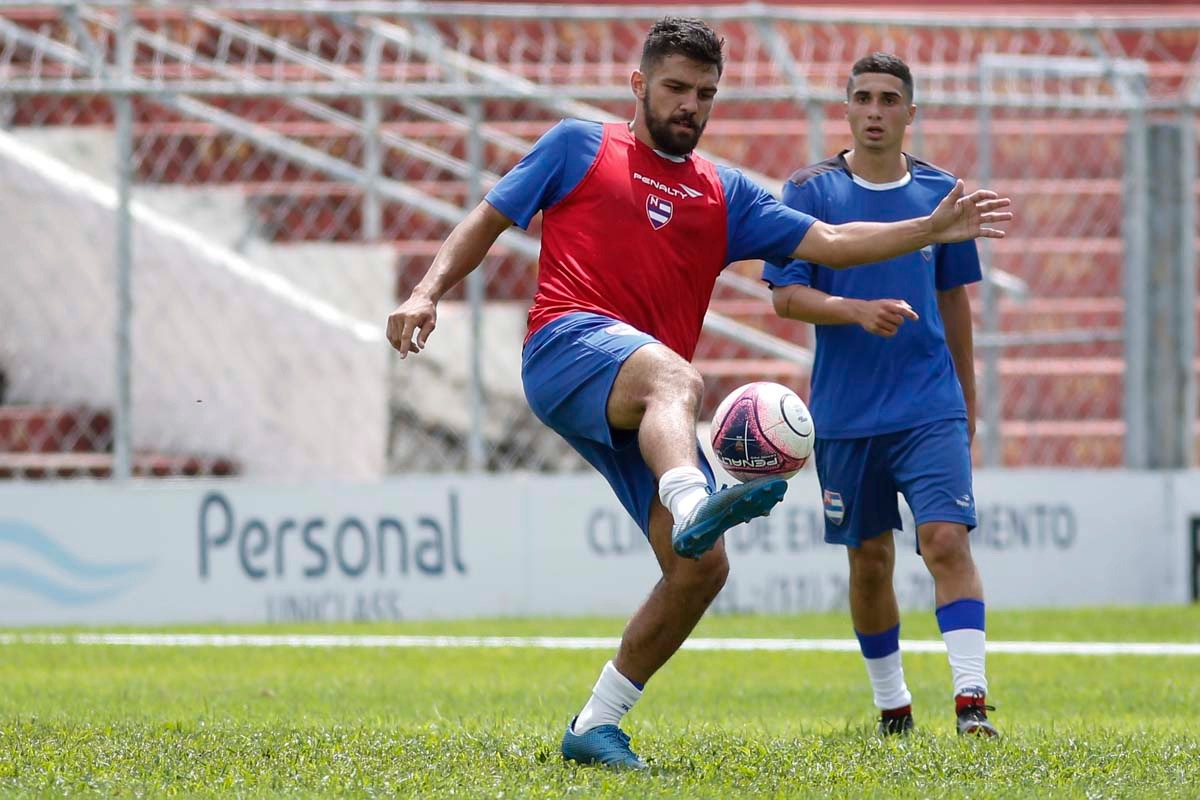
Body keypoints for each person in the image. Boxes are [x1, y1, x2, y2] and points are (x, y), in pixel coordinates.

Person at [386, 22, 1010, 768]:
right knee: (677, 377)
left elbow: (835, 246)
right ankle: (692, 500)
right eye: (677, 88)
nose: (690, 105)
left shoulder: (725, 193)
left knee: (701, 568)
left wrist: (928, 229)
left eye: (705, 94)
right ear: (639, 84)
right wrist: (425, 291)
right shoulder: (578, 146)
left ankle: (596, 721)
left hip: (641, 405)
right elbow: (489, 217)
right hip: (566, 346)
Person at [765, 52, 1000, 738]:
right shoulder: (807, 191)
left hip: (929, 405)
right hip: (845, 413)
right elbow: (785, 298)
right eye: (862, 97)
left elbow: (952, 300)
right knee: (870, 561)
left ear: (909, 113)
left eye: (888, 99)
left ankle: (972, 703)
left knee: (946, 541)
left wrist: (967, 398)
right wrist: (854, 311)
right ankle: (893, 707)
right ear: (846, 109)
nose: (874, 111)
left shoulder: (942, 193)